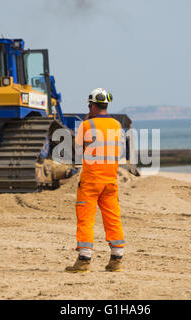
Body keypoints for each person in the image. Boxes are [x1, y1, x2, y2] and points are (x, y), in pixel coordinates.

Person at [65, 88, 125, 273]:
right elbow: (120, 152)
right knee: (113, 218)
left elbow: (75, 154)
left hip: (91, 181)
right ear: (106, 105)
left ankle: (84, 260)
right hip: (110, 180)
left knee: (86, 219)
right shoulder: (117, 125)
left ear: (91, 105)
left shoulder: (86, 126)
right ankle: (116, 260)